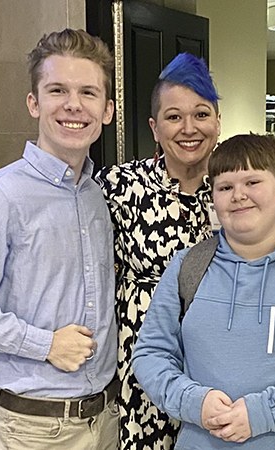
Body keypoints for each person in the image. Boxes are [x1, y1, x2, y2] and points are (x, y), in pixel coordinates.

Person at [0, 29, 118, 450]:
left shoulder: (96, 195)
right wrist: (46, 344)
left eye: (88, 92)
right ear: (34, 102)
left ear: (107, 110)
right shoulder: (0, 198)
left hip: (105, 420)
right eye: (57, 90)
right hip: (33, 430)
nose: (73, 105)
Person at [131, 134, 275, 449]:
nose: (239, 196)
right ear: (213, 196)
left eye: (253, 182)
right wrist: (194, 402)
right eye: (225, 187)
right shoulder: (187, 267)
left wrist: (264, 412)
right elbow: (151, 354)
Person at [95, 53, 221, 450]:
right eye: (173, 117)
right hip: (139, 361)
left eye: (201, 114)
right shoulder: (118, 185)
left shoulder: (234, 188)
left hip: (215, 359)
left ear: (218, 121)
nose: (189, 128)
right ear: (154, 126)